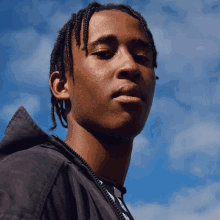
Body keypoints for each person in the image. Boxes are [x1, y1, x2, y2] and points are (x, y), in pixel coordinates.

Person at [0, 2, 159, 220]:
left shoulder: (103, 196)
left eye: (142, 57)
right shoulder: (33, 176)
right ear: (61, 85)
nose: (130, 66)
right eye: (104, 53)